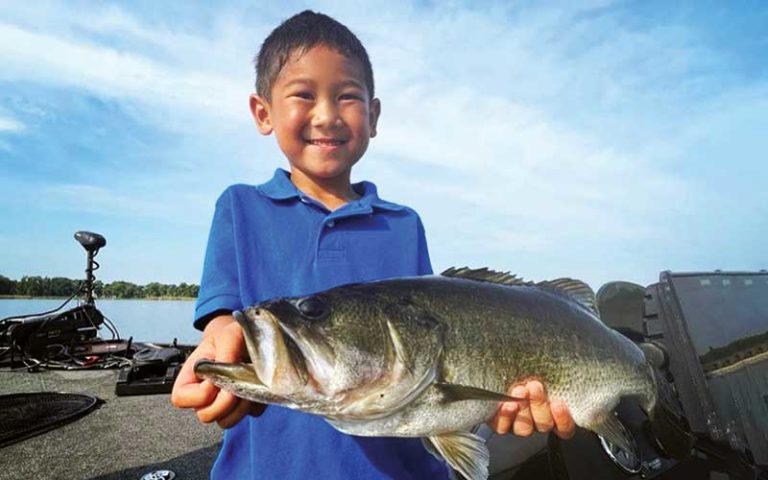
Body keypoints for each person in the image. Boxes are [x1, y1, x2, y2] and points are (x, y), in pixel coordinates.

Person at [171, 10, 575, 479]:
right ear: (263, 112)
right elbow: (224, 321)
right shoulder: (239, 207)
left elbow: (435, 343)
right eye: (303, 95)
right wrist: (218, 344)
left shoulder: (404, 224)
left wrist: (497, 403)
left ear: (374, 115)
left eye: (347, 97)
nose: (326, 115)